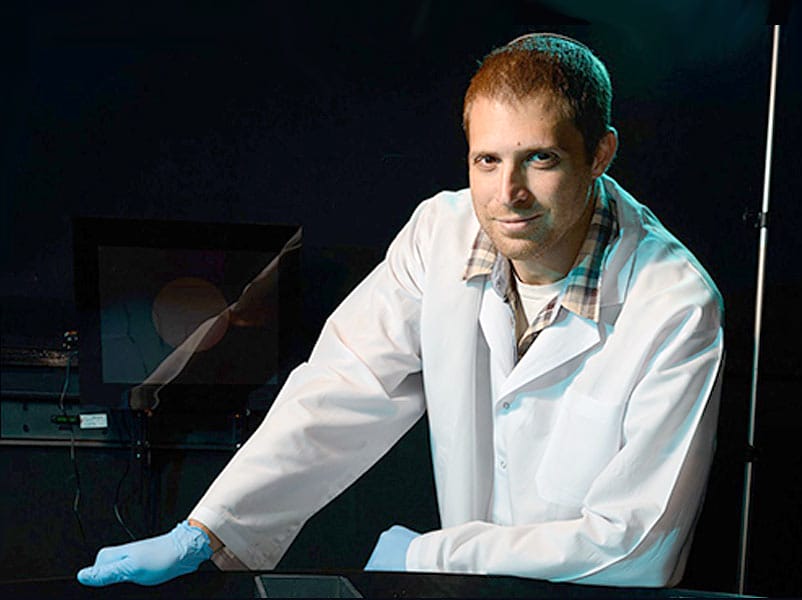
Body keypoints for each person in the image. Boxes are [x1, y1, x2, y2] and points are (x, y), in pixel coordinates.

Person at [77, 32, 724, 589]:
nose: (509, 194)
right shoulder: (440, 236)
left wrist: (428, 554)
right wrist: (206, 530)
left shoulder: (671, 305)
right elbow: (343, 388)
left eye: (542, 159)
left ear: (601, 154)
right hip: (463, 594)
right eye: (488, 161)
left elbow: (639, 544)